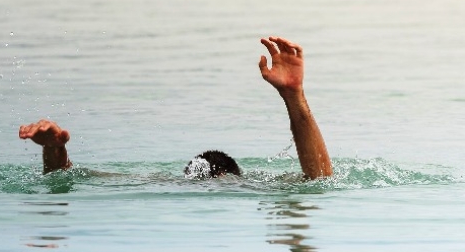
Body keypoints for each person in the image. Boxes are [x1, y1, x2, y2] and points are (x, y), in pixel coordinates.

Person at [19, 36, 333, 180]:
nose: (215, 190)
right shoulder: (251, 188)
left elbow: (68, 178)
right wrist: (55, 149)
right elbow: (320, 179)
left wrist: (295, 95)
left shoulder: (157, 183)